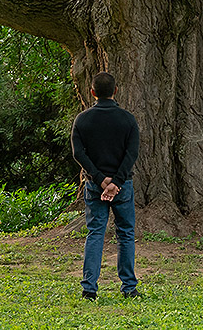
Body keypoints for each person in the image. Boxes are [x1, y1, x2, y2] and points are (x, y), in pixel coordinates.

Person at [71, 71, 141, 301]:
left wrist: (100, 179)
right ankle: (129, 287)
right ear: (115, 91)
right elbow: (132, 154)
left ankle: (89, 289)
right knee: (126, 234)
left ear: (92, 92)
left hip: (94, 186)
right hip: (123, 186)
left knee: (96, 233)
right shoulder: (128, 120)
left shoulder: (82, 120)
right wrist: (117, 182)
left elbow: (78, 153)